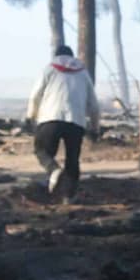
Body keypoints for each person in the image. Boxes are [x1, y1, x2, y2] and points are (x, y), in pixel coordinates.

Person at [26, 45, 99, 202]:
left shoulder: (50, 69)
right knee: (72, 159)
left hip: (50, 118)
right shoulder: (83, 72)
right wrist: (95, 128)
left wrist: (30, 116)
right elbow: (94, 105)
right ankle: (68, 196)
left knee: (42, 151)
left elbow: (35, 95)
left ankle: (53, 171)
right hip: (76, 121)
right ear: (72, 57)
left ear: (56, 55)